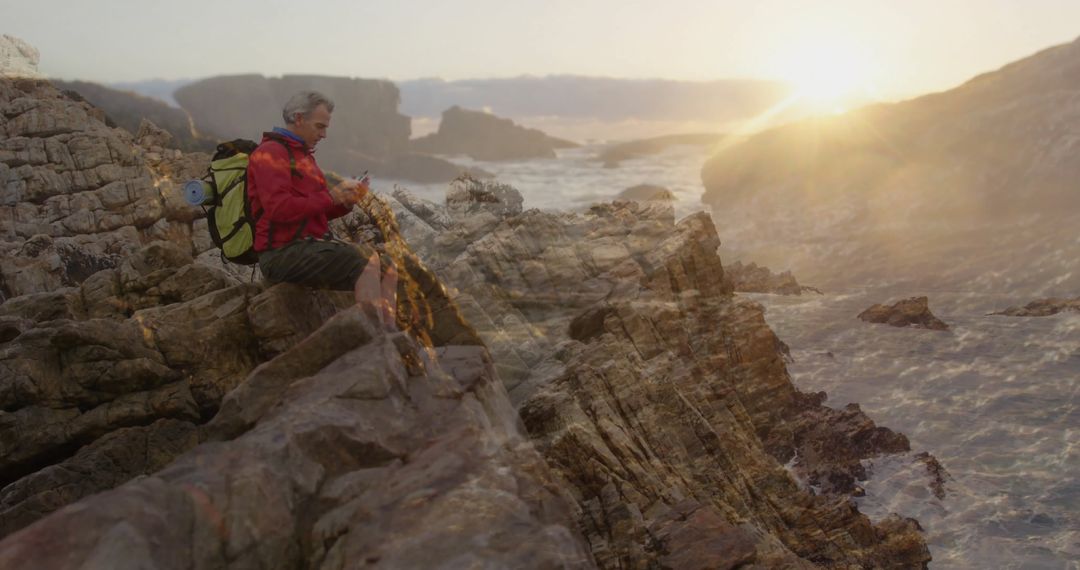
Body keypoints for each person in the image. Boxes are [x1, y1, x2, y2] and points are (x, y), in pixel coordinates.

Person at [248, 90, 397, 327]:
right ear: (299, 119)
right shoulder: (270, 153)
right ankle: (373, 338)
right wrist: (330, 196)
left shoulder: (304, 157)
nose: (324, 134)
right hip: (281, 253)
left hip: (308, 246)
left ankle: (391, 334)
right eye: (319, 126)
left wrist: (345, 203)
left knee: (387, 265)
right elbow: (279, 209)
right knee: (364, 261)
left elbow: (316, 210)